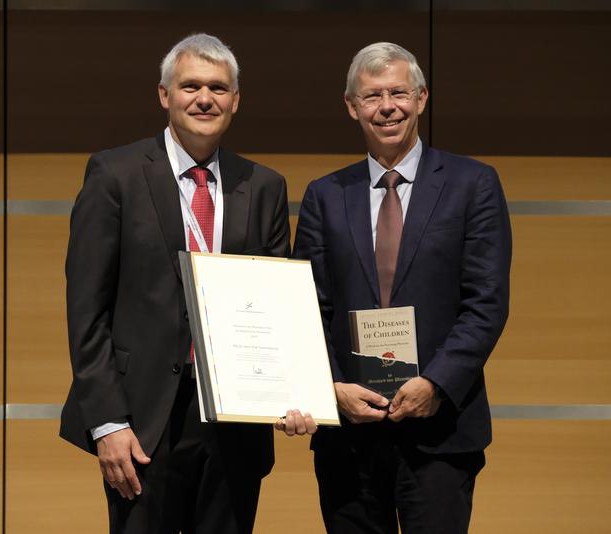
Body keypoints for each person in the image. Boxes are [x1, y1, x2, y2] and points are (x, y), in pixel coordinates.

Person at [60, 33, 314, 534]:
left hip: (235, 421)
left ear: (235, 101)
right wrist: (107, 423)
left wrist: (293, 389)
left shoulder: (263, 186)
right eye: (191, 86)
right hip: (142, 421)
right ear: (164, 95)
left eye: (218, 88)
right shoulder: (115, 174)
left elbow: (277, 307)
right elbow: (86, 310)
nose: (205, 98)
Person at [293, 42, 512, 533]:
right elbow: (307, 309)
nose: (387, 106)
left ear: (422, 98)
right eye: (371, 96)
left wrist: (436, 383)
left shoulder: (472, 183)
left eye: (398, 93)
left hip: (440, 431)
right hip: (348, 432)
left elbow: (486, 303)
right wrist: (330, 390)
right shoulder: (325, 196)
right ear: (351, 106)